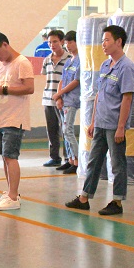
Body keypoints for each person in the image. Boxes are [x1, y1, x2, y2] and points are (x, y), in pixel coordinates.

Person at [65, 26, 134, 215]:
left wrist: (121, 127)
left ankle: (117, 201)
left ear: (118, 42)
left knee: (117, 163)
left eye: (106, 40)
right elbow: (99, 95)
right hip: (101, 123)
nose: (103, 44)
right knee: (94, 161)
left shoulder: (127, 67)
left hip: (114, 124)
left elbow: (127, 98)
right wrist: (93, 121)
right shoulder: (105, 65)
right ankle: (84, 197)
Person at [0, 32, 34, 211]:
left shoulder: (22, 63)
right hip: (0, 117)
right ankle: (10, 192)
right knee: (5, 157)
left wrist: (3, 90)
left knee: (11, 156)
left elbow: (29, 88)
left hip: (14, 118)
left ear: (5, 44)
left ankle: (13, 197)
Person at [41, 30, 71, 168]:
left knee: (66, 130)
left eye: (55, 41)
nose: (52, 45)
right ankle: (54, 157)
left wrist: (61, 96)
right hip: (48, 99)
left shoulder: (69, 59)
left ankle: (68, 158)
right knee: (51, 130)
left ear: (62, 42)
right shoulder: (47, 60)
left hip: (63, 100)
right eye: (49, 42)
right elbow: (45, 77)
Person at [53, 30, 81, 174]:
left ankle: (78, 161)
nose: (68, 45)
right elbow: (62, 80)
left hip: (72, 99)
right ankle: (70, 159)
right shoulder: (69, 61)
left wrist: (60, 94)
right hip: (64, 99)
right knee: (64, 131)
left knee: (68, 130)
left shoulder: (80, 60)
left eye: (71, 42)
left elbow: (76, 81)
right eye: (66, 43)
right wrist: (59, 97)